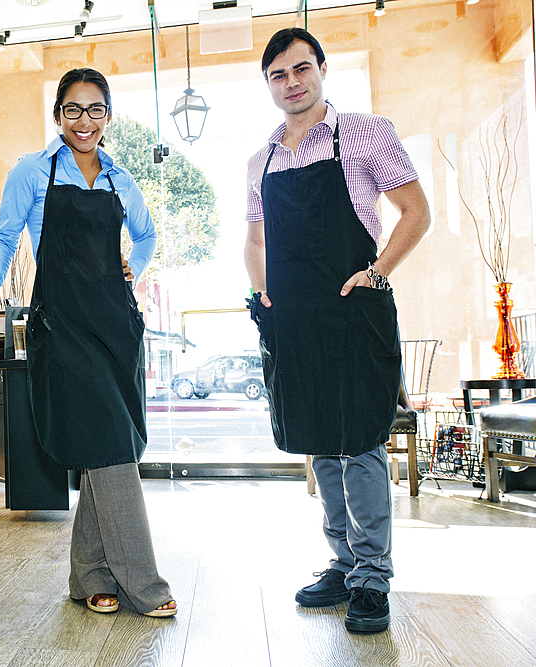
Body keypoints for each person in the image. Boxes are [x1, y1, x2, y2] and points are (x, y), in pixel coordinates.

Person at [0, 68, 176, 618]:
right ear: (58, 116)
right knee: (111, 444)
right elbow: (5, 237)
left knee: (106, 442)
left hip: (117, 327)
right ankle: (143, 584)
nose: (85, 120)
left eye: (96, 109)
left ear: (108, 116)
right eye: (74, 110)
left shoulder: (120, 179)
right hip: (64, 325)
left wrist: (135, 268)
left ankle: (90, 575)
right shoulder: (32, 171)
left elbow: (147, 234)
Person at [244, 28, 429, 634]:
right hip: (295, 316)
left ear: (322, 69)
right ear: (268, 84)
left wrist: (376, 274)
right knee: (320, 441)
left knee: (362, 442)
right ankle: (343, 561)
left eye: (301, 70)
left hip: (354, 310)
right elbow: (255, 238)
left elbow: (416, 212)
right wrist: (263, 292)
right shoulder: (262, 158)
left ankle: (373, 577)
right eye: (278, 75)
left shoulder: (367, 132)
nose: (291, 83)